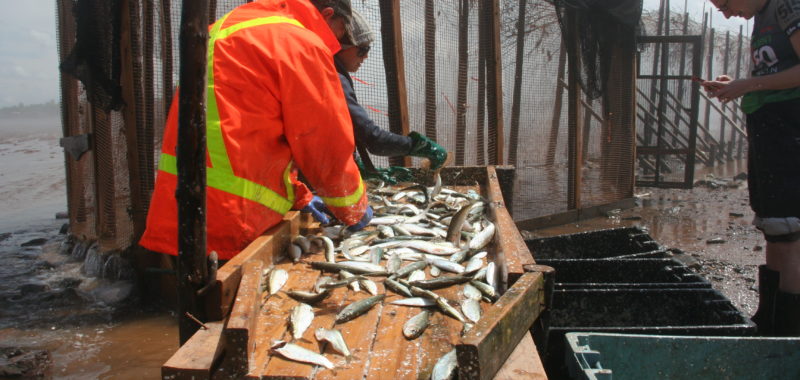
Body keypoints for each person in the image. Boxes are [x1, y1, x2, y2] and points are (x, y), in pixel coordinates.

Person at [139, 0, 372, 261]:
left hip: (181, 214)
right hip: (233, 219)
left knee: (184, 298)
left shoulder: (226, 28)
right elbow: (323, 143)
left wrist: (298, 193)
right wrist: (352, 207)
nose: (338, 41)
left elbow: (242, 130)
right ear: (328, 15)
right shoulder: (300, 41)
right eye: (341, 31)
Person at [704, 0, 800, 336]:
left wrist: (747, 85)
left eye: (726, 3)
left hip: (790, 129)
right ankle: (769, 315)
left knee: (789, 231)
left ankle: (788, 328)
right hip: (769, 128)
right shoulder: (761, 15)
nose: (727, 14)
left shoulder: (787, 6)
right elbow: (772, 73)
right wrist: (737, 83)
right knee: (774, 227)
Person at [334, 10, 448, 184]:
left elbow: (343, 131)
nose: (366, 56)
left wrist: (362, 169)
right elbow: (373, 139)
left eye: (368, 49)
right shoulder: (334, 78)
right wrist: (419, 146)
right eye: (362, 49)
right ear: (340, 47)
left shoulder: (334, 72)